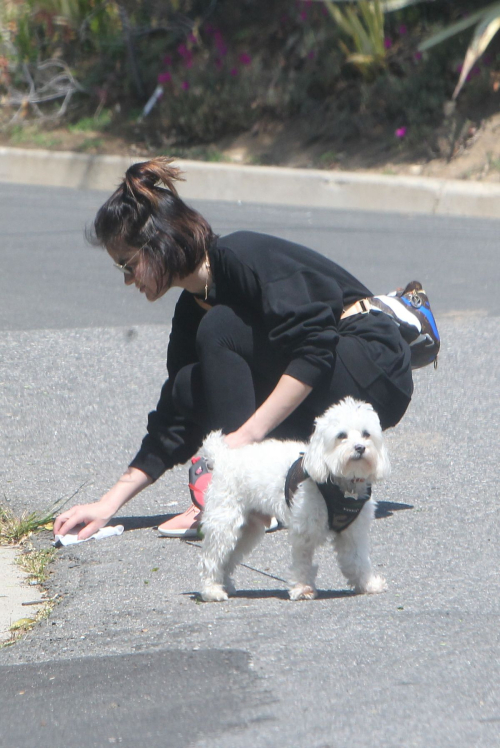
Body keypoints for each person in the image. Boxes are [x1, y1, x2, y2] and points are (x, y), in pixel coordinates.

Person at [53, 157, 413, 541]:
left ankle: (251, 494)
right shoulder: (192, 308)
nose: (128, 280)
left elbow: (315, 347)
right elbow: (175, 419)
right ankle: (273, 487)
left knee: (221, 328)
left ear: (158, 245)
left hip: (373, 366)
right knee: (189, 384)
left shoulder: (241, 256)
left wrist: (240, 444)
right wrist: (107, 505)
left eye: (129, 265)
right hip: (327, 384)